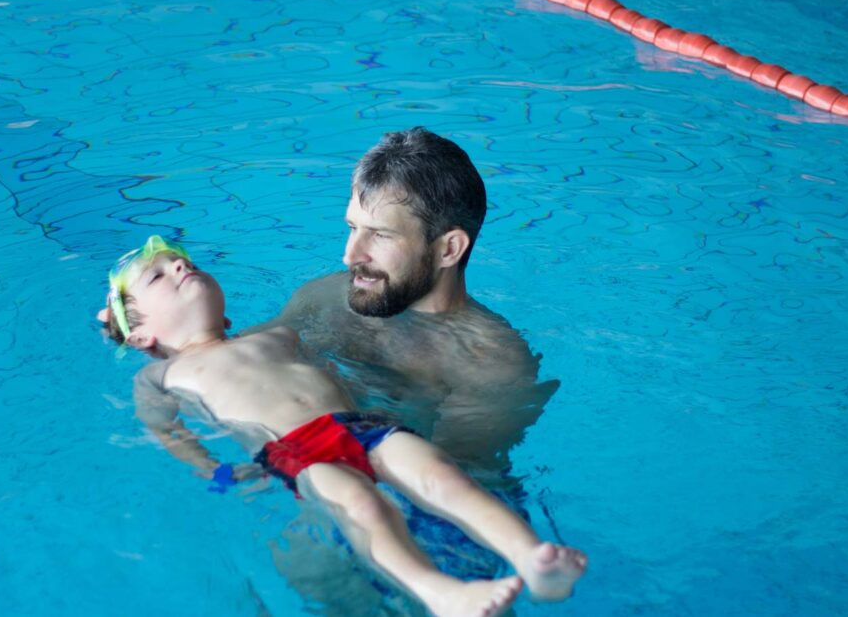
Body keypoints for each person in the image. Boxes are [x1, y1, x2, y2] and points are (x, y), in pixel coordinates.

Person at [97, 235, 587, 617]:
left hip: (361, 423)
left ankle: (531, 558)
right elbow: (165, 430)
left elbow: (337, 362)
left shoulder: (276, 333)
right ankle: (441, 595)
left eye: (186, 263)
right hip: (296, 449)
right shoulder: (158, 374)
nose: (181, 266)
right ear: (140, 334)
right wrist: (212, 469)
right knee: (363, 506)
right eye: (159, 277)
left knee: (441, 475)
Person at [260, 127, 557, 474]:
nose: (349, 255)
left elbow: (450, 487)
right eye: (353, 228)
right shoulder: (325, 298)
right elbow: (232, 360)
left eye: (381, 235)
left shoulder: (489, 365)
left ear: (449, 249)